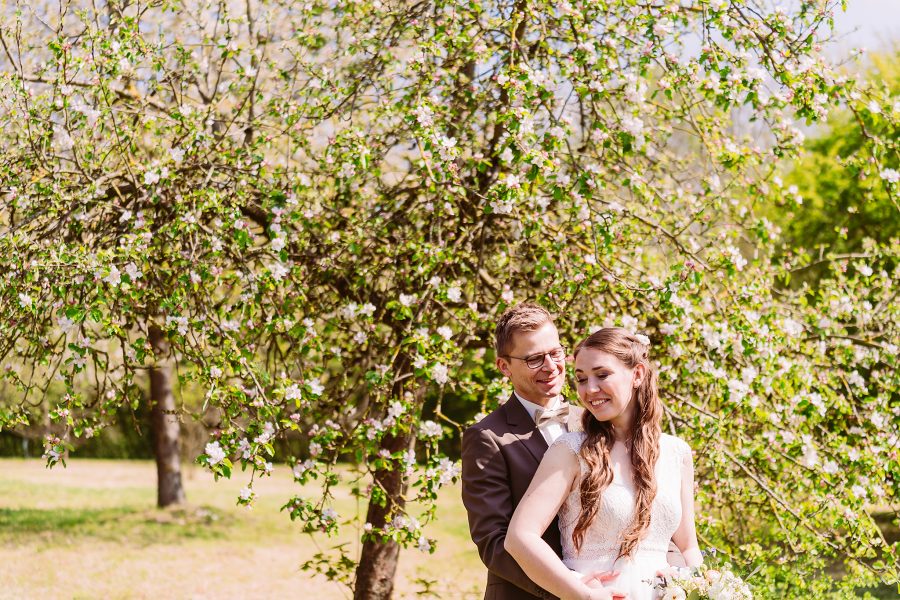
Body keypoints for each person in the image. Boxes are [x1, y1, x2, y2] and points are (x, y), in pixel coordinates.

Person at [505, 327, 702, 600]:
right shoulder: (570, 450)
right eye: (581, 379)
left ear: (637, 374)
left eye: (602, 375)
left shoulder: (677, 452)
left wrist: (701, 590)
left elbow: (688, 547)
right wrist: (583, 594)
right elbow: (519, 537)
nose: (590, 389)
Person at [461, 303, 624, 600]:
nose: (550, 366)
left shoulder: (597, 423)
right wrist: (569, 586)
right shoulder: (487, 438)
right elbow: (494, 543)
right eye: (535, 359)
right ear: (504, 367)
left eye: (555, 352)